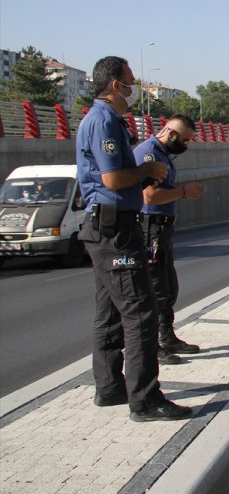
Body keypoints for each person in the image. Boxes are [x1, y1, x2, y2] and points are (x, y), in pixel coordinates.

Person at [75, 55, 192, 423]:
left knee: (109, 311)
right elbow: (112, 179)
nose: (134, 86)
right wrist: (149, 170)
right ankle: (145, 399)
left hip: (103, 226)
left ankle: (110, 387)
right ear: (115, 85)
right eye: (130, 79)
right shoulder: (105, 120)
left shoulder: (99, 119)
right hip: (116, 229)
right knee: (141, 312)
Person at [133, 115, 205, 358]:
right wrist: (184, 191)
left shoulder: (163, 154)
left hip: (161, 228)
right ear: (170, 133)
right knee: (155, 287)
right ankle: (154, 344)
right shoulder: (149, 154)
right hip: (150, 226)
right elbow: (149, 197)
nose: (186, 145)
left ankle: (167, 336)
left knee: (167, 286)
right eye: (185, 140)